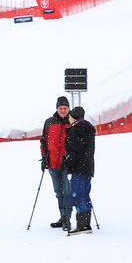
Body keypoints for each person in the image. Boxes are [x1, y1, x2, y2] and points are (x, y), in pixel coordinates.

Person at [39, 96, 73, 229]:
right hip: (53, 163)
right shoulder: (49, 122)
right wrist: (44, 157)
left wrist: (72, 158)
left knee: (67, 191)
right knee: (58, 192)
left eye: (65, 108)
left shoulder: (72, 121)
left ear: (68, 109)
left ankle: (67, 218)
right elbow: (43, 141)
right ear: (57, 109)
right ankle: (62, 216)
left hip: (67, 164)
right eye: (61, 108)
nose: (63, 110)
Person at [64, 106, 97, 235]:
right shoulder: (88, 128)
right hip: (88, 167)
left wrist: (66, 161)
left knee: (77, 195)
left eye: (70, 116)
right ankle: (86, 223)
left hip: (79, 168)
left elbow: (75, 152)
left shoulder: (75, 130)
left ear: (74, 117)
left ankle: (83, 226)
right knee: (85, 194)